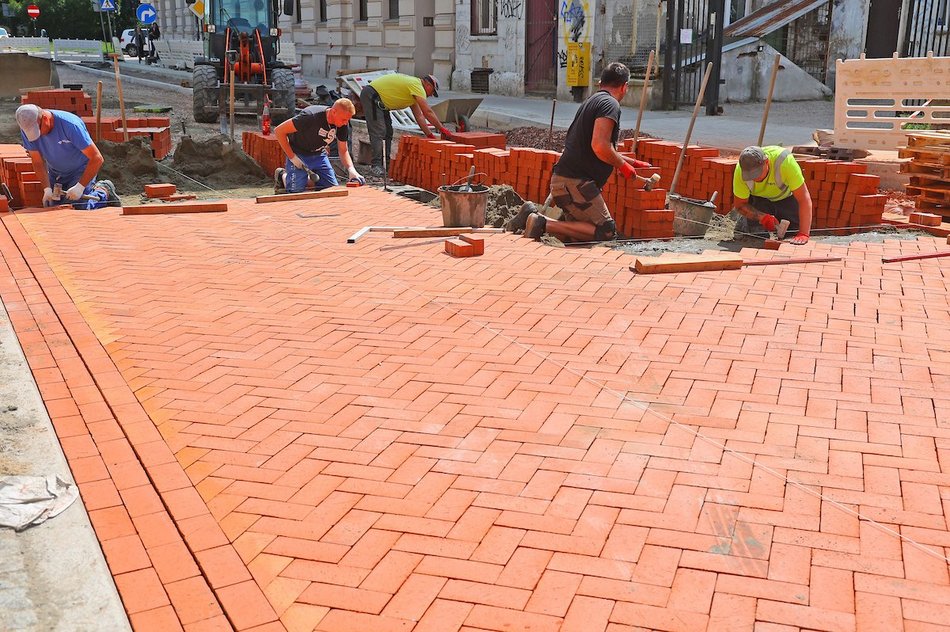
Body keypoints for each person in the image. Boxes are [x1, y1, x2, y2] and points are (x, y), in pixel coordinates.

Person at [514, 62, 651, 242]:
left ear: (600, 83)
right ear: (625, 87)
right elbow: (600, 146)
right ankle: (542, 223)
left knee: (581, 236)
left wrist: (633, 163)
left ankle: (530, 216)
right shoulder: (610, 104)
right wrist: (623, 166)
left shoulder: (592, 101)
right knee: (606, 231)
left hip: (565, 182)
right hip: (576, 184)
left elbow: (594, 146)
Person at [16, 104, 104, 207]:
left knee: (78, 206)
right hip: (56, 173)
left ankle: (103, 191)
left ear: (45, 118)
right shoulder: (28, 129)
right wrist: (47, 189)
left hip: (80, 170)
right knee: (53, 207)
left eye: (38, 130)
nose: (38, 135)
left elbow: (97, 158)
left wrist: (80, 187)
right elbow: (37, 162)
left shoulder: (70, 125)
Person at [358, 73, 449, 174]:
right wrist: (442, 129)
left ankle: (387, 164)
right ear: (428, 85)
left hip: (381, 102)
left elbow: (419, 116)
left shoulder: (414, 91)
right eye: (432, 91)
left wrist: (429, 135)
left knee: (388, 132)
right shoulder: (417, 86)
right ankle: (376, 165)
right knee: (379, 131)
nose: (431, 95)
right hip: (372, 96)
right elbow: (427, 112)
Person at [272, 99, 365, 193]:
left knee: (331, 191)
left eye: (348, 120)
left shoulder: (342, 124)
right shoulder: (310, 116)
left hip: (319, 155)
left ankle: (306, 179)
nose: (345, 123)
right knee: (295, 192)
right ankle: (282, 175)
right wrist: (292, 157)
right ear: (334, 112)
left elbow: (343, 150)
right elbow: (279, 131)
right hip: (299, 154)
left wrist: (351, 169)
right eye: (344, 119)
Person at [732, 145, 812, 245]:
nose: (754, 178)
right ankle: (744, 223)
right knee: (756, 235)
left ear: (766, 162)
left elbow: (803, 199)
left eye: (757, 173)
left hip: (785, 199)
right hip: (759, 201)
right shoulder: (741, 170)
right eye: (750, 175)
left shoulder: (784, 162)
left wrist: (803, 233)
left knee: (792, 234)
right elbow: (739, 205)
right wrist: (762, 217)